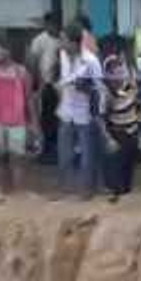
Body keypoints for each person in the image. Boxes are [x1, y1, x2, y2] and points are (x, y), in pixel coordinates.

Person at [0, 38, 36, 198]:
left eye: (0, 49)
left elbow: (29, 98)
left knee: (18, 158)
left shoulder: (21, 72)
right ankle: (1, 190)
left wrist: (34, 123)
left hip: (18, 120)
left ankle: (19, 191)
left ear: (8, 51)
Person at [55, 21, 105, 200]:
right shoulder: (62, 55)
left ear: (74, 43)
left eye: (63, 40)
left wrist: (86, 89)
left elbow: (100, 89)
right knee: (64, 154)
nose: (61, 44)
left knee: (87, 156)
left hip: (85, 113)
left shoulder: (91, 61)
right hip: (66, 110)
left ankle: (87, 191)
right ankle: (67, 190)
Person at [101, 40, 141, 203]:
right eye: (113, 71)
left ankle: (125, 195)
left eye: (119, 68)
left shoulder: (129, 83)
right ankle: (115, 195)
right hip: (117, 132)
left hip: (132, 130)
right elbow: (102, 116)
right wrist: (108, 137)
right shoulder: (106, 92)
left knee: (128, 167)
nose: (117, 73)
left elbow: (132, 71)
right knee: (116, 167)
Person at [28, 11, 61, 165]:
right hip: (46, 85)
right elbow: (33, 62)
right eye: (51, 24)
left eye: (56, 24)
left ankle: (56, 149)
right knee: (46, 118)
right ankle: (47, 150)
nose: (54, 27)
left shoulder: (63, 38)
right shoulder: (39, 40)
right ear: (47, 24)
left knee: (58, 119)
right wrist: (36, 84)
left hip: (61, 85)